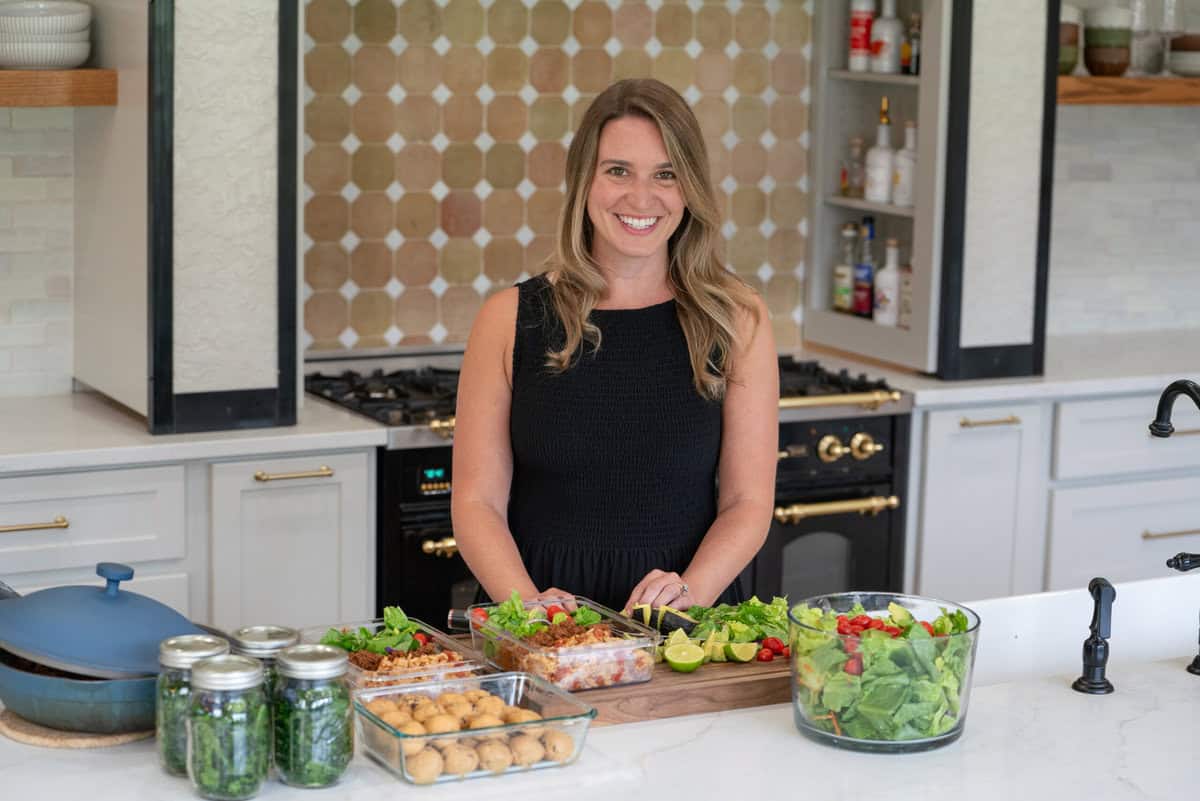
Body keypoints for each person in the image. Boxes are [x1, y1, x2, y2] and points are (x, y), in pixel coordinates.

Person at [451, 78, 778, 615]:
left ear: (690, 187)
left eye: (666, 175)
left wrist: (688, 594)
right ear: (585, 180)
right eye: (618, 170)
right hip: (541, 613)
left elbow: (747, 503)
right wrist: (528, 608)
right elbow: (476, 501)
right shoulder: (508, 319)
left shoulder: (738, 318)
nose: (641, 198)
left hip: (686, 616)